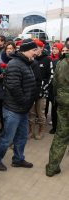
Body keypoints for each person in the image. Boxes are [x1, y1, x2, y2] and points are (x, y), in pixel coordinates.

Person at [0, 39, 37, 171]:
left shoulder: (25, 63)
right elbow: (13, 86)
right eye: (33, 50)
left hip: (22, 109)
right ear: (25, 50)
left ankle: (18, 159)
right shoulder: (15, 64)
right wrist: (24, 101)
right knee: (7, 137)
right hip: (13, 109)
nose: (35, 53)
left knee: (22, 136)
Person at [45, 44, 69, 177]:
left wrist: (58, 98)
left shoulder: (61, 62)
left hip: (63, 102)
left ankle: (52, 167)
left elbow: (55, 83)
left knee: (61, 135)